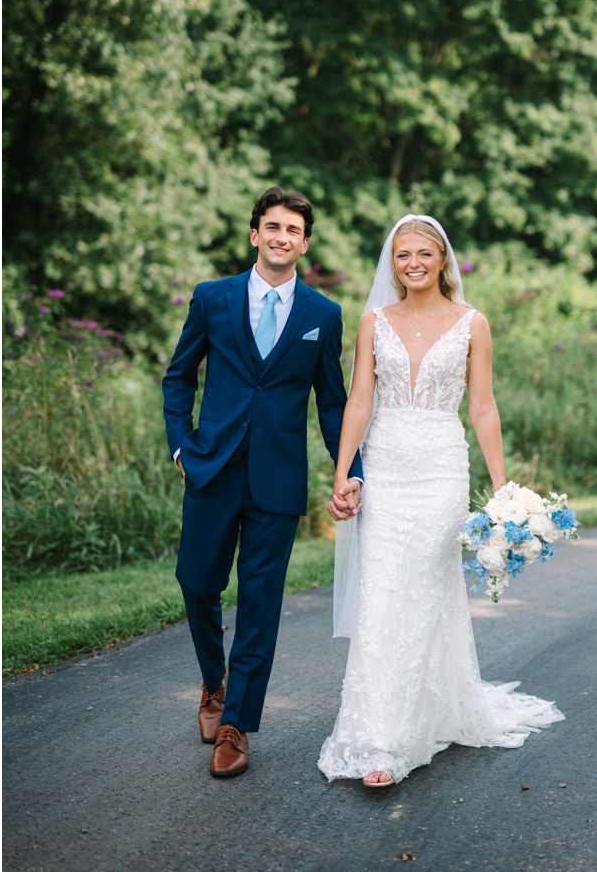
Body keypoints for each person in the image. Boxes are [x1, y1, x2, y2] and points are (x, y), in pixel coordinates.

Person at [318, 215, 563, 788]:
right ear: (392, 263)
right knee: (381, 593)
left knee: (427, 591)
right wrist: (343, 474)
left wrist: (503, 489)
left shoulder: (472, 323)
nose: (413, 263)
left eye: (424, 253)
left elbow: (482, 407)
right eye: (402, 255)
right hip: (385, 466)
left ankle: (410, 727)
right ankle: (376, 737)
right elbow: (357, 402)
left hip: (441, 470)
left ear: (443, 259)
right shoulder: (373, 322)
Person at [162, 187, 363, 779]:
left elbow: (332, 403)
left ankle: (236, 725)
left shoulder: (323, 315)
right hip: (212, 467)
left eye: (293, 230)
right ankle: (213, 681)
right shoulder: (212, 298)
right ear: (255, 235)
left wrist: (349, 470)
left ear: (305, 242)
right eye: (272, 227)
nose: (282, 237)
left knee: (259, 602)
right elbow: (178, 379)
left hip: (277, 480)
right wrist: (182, 445)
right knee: (196, 582)